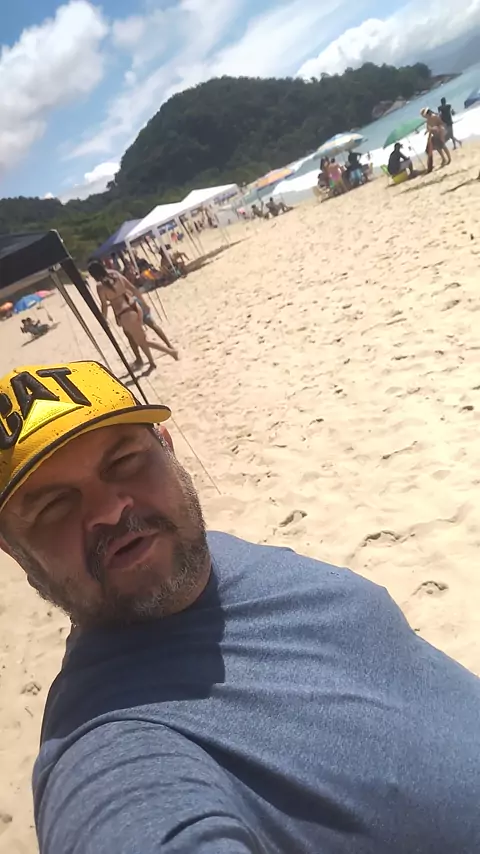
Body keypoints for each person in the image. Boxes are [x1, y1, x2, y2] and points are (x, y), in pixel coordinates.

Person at [1, 359, 479, 854]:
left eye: (124, 461)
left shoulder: (186, 548)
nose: (109, 509)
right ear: (14, 551)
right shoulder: (109, 745)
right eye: (54, 506)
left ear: (167, 449)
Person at [88, 261, 177, 371]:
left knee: (142, 341)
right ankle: (152, 362)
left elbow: (104, 305)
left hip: (125, 314)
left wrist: (103, 319)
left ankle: (170, 352)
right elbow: (133, 288)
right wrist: (144, 303)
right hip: (134, 306)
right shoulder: (115, 274)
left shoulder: (100, 286)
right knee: (141, 337)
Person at [421, 107, 451, 171]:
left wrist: (437, 128)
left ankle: (449, 158)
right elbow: (429, 128)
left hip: (440, 132)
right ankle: (443, 159)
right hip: (435, 133)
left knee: (443, 146)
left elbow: (441, 123)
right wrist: (428, 132)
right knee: (438, 147)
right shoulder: (428, 120)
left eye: (424, 115)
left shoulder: (434, 117)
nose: (424, 117)